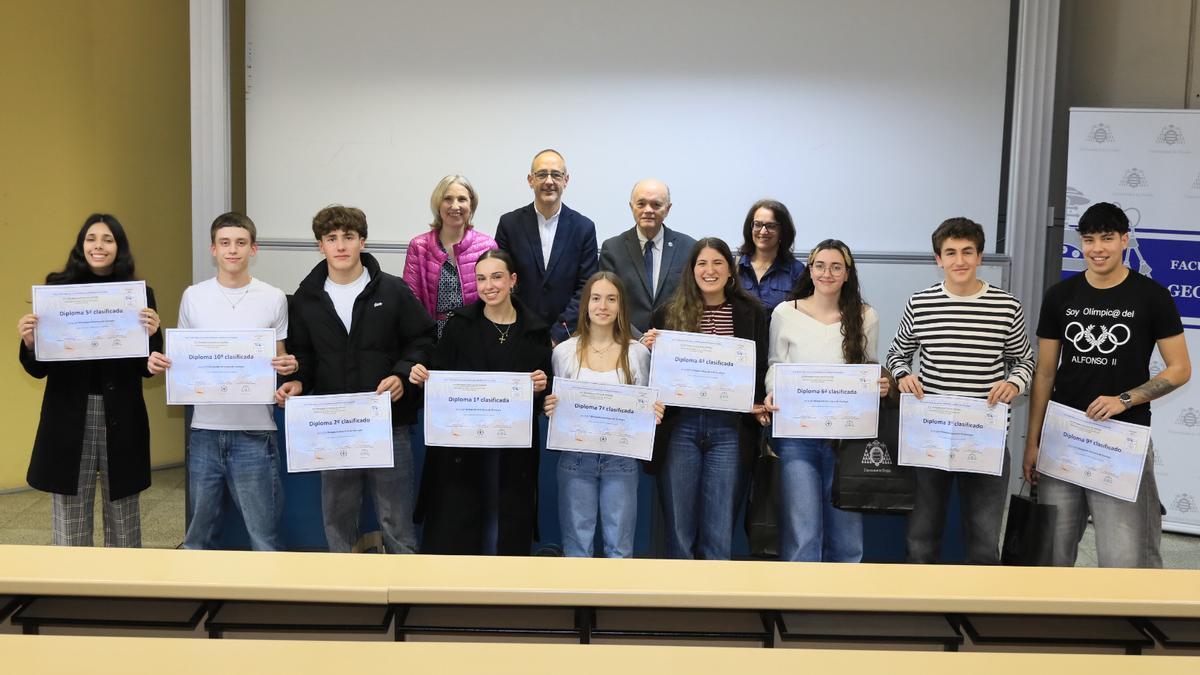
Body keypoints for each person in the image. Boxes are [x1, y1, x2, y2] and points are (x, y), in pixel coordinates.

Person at [1024, 202, 1190, 568]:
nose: (1097, 248)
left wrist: (1125, 400)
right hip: (1063, 439)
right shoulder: (1059, 297)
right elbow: (1046, 373)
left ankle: (1132, 624)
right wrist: (1033, 441)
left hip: (1121, 439)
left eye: (1107, 238)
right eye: (1089, 239)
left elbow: (1179, 369)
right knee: (1048, 557)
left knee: (1126, 559)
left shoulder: (1152, 296)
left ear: (1124, 240)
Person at [276, 205, 435, 554]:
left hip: (389, 423)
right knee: (337, 517)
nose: (341, 245)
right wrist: (298, 381)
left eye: (348, 237)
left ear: (362, 241)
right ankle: (343, 592)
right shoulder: (305, 299)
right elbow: (304, 354)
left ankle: (404, 592)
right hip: (333, 425)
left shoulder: (392, 290)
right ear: (321, 246)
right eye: (331, 238)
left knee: (396, 519)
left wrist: (401, 374)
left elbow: (424, 339)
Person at [885, 217, 1035, 565]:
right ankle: (922, 606)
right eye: (950, 253)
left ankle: (979, 611)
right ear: (938, 260)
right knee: (921, 534)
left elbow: (1025, 359)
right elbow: (896, 353)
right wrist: (903, 373)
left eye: (968, 251)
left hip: (985, 438)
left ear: (979, 256)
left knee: (983, 538)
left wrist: (1014, 382)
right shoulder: (921, 303)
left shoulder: (1006, 306)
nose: (960, 260)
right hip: (931, 437)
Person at [147, 212, 296, 551]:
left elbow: (280, 356)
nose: (233, 250)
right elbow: (185, 358)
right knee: (197, 537)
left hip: (256, 433)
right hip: (204, 433)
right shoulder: (193, 296)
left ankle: (269, 601)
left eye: (241, 243)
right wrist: (162, 362)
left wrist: (287, 366)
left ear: (253, 249)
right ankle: (200, 600)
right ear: (213, 249)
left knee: (263, 536)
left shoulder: (273, 297)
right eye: (225, 243)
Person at [17, 213, 162, 547]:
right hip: (69, 414)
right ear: (82, 246)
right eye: (92, 239)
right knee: (71, 515)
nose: (99, 246)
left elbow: (147, 365)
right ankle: (72, 584)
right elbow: (39, 369)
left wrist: (154, 335)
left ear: (119, 247)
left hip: (121, 413)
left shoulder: (138, 295)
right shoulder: (57, 290)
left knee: (123, 512)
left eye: (108, 239)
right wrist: (29, 342)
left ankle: (124, 585)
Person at [411, 249, 552, 555]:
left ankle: (508, 589)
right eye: (481, 278)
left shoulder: (536, 331)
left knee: (509, 518)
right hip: (464, 446)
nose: (489, 285)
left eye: (497, 277)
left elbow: (546, 390)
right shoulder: (459, 325)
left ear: (512, 280)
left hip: (514, 448)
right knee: (463, 516)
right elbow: (439, 374)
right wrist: (424, 374)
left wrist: (542, 387)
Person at [641, 238, 769, 560]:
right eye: (702, 263)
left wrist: (757, 400)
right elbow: (654, 377)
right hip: (679, 426)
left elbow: (762, 365)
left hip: (730, 429)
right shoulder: (667, 314)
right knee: (679, 530)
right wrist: (648, 348)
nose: (709, 270)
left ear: (730, 271)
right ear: (691, 270)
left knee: (718, 530)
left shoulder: (752, 312)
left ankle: (716, 604)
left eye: (717, 263)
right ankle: (681, 604)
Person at [763, 240, 889, 562]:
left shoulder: (865, 316)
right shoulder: (785, 312)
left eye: (836, 267)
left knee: (847, 537)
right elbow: (775, 365)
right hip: (796, 437)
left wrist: (878, 386)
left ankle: (842, 608)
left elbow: (868, 366)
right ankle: (797, 608)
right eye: (820, 265)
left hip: (845, 440)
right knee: (803, 534)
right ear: (810, 269)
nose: (827, 273)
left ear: (847, 274)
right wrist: (773, 390)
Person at [543, 272, 664, 557]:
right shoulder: (563, 352)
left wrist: (652, 412)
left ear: (621, 306)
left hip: (621, 462)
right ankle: (579, 603)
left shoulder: (637, 354)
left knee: (619, 550)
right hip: (575, 460)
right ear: (585, 304)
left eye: (612, 299)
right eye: (596, 298)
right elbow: (561, 404)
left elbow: (643, 403)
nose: (603, 306)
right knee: (576, 548)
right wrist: (552, 408)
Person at [496, 149, 598, 344]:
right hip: (517, 334)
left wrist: (558, 334)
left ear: (566, 180)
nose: (549, 181)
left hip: (568, 339)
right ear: (530, 180)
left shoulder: (584, 228)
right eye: (542, 174)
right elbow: (501, 280)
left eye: (556, 175)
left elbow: (586, 287)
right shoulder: (509, 224)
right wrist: (516, 328)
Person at [403, 175, 497, 338]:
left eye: (462, 199)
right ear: (438, 204)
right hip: (431, 337)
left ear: (471, 205)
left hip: (477, 336)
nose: (455, 206)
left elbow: (496, 298)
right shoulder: (419, 247)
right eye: (448, 199)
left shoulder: (487, 246)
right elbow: (411, 303)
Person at [599, 178, 697, 335]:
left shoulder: (688, 248)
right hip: (626, 343)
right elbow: (607, 303)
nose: (648, 210)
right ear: (631, 207)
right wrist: (640, 340)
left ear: (668, 209)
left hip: (673, 345)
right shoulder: (613, 249)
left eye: (656, 204)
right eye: (641, 204)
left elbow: (693, 301)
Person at [735, 199, 805, 313]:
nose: (763, 231)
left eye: (771, 226)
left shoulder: (797, 271)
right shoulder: (734, 268)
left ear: (783, 231)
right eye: (757, 224)